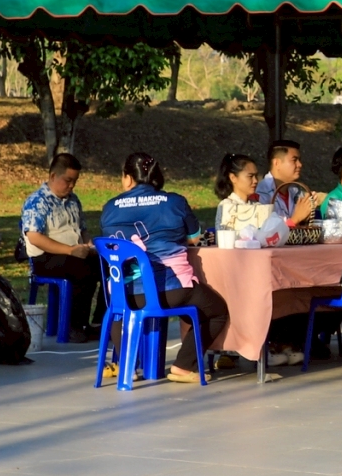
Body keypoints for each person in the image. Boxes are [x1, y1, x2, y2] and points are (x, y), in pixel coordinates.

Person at [103, 151, 257, 379]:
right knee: (216, 311)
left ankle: (127, 366)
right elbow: (194, 238)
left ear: (127, 178)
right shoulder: (174, 202)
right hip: (171, 289)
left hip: (124, 292)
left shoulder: (109, 208)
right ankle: (184, 365)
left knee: (120, 310)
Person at [21, 153, 98, 342]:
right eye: (68, 180)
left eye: (75, 181)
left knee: (108, 266)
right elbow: (34, 237)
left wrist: (90, 245)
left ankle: (99, 322)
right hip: (45, 257)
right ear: (53, 176)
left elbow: (83, 230)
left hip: (74, 252)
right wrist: (70, 250)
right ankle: (73, 326)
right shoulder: (37, 201)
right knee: (82, 269)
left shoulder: (74, 200)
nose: (71, 186)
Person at [257, 140, 319, 226]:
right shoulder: (261, 194)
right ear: (277, 163)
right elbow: (266, 231)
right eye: (294, 160)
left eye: (299, 160)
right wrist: (296, 219)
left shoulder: (296, 191)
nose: (300, 164)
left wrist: (306, 216)